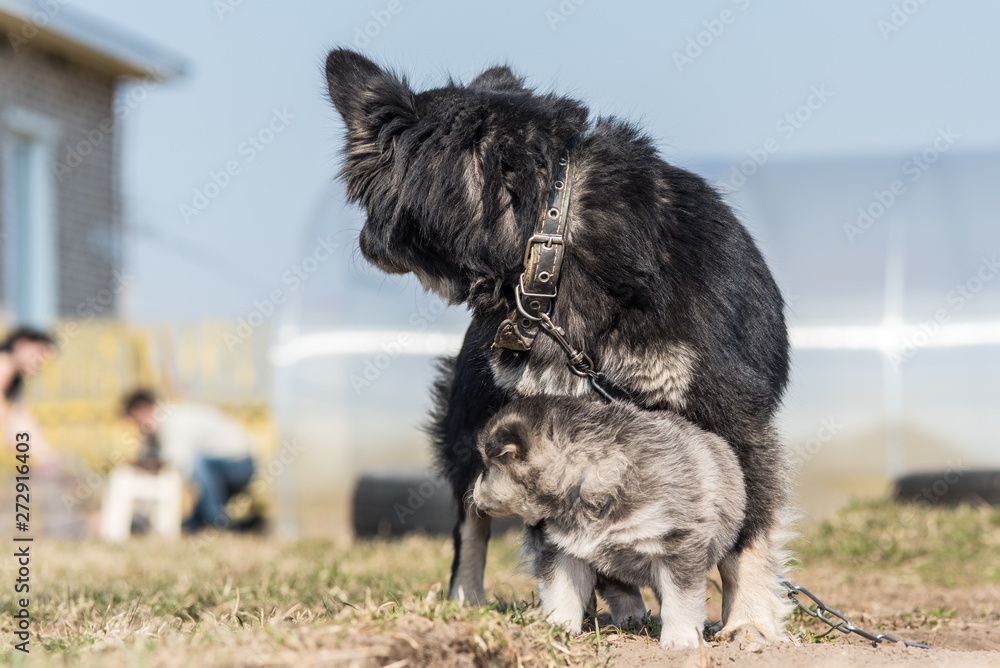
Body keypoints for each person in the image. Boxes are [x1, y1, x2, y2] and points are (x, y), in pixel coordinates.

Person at [121, 388, 259, 532]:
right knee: (190, 526)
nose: (136, 427)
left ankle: (215, 524)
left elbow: (174, 468)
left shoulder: (174, 423)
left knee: (197, 462)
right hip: (216, 469)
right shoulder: (154, 433)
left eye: (135, 420)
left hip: (240, 465)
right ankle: (227, 524)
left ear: (145, 409)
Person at [0, 327, 60, 470]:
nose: (41, 362)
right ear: (21, 344)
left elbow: (24, 416)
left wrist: (44, 453)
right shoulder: (4, 363)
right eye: (39, 353)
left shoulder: (15, 378)